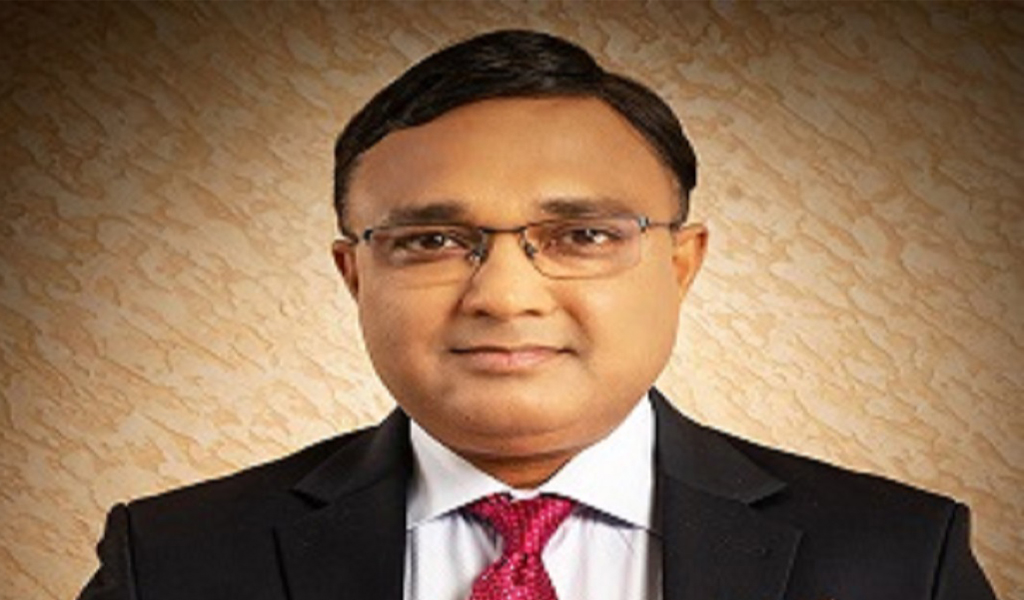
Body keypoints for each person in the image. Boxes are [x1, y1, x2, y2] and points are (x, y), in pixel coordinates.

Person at [78, 29, 996, 600]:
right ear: (355, 274)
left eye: (583, 235)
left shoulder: (898, 557)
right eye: (433, 240)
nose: (505, 295)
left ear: (681, 264)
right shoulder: (175, 560)